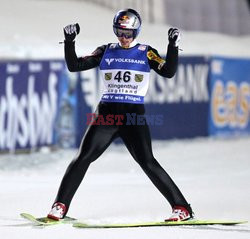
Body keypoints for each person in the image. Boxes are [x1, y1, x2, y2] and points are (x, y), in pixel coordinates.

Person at [48, 8, 193, 221]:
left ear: (137, 32)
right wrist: (69, 42)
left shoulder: (146, 51)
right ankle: (59, 206)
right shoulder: (106, 50)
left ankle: (182, 207)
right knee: (82, 158)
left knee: (147, 162)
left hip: (133, 116)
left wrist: (173, 46)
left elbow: (168, 71)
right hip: (107, 115)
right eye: (120, 33)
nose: (124, 38)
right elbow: (75, 65)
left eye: (129, 34)